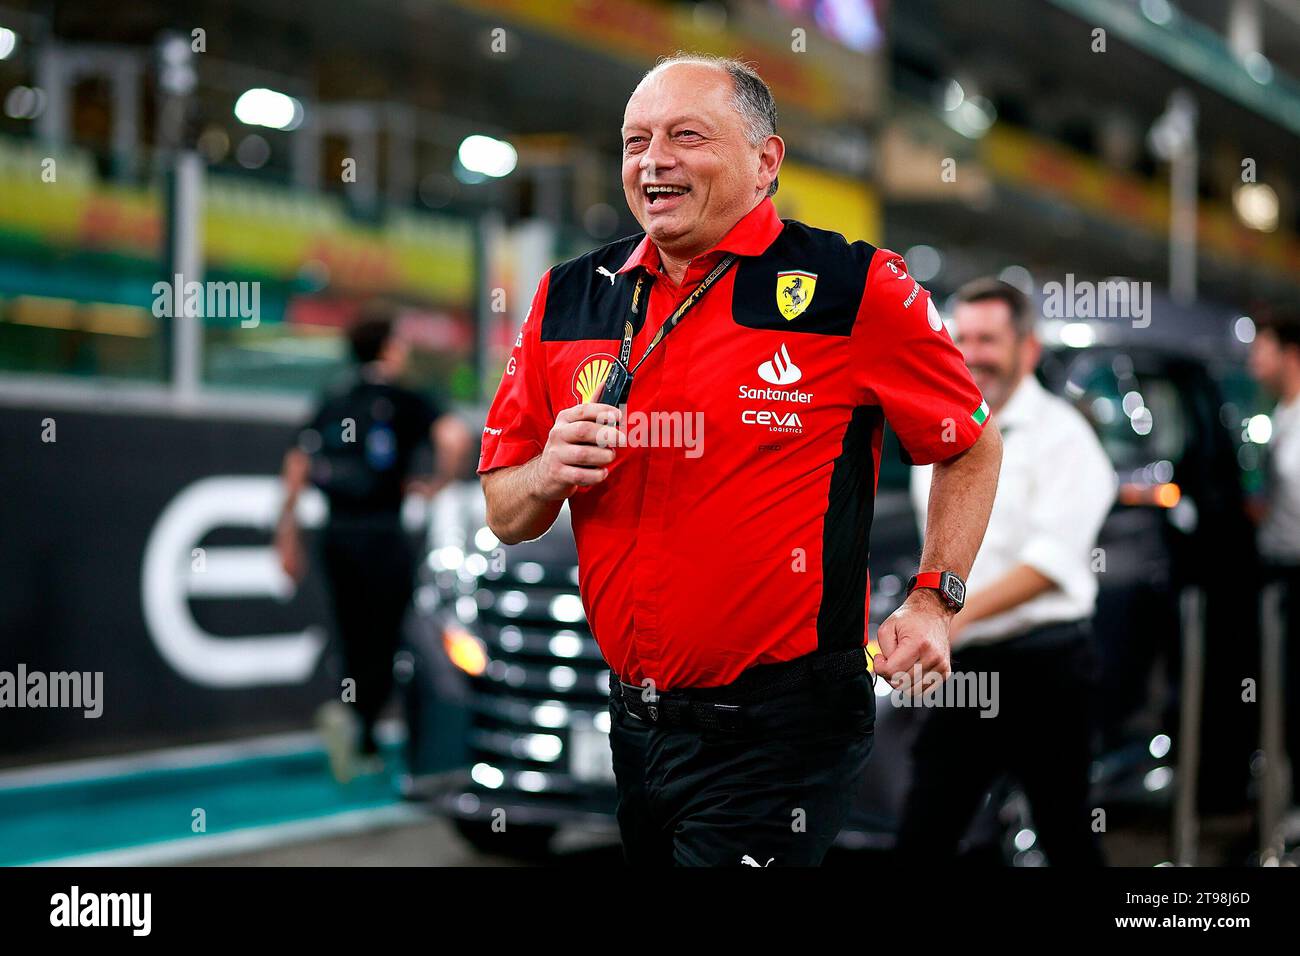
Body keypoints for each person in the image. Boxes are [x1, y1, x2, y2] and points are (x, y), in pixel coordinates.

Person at [477, 53, 1003, 866]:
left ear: (766, 161)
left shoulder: (852, 287)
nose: (654, 160)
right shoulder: (568, 297)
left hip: (783, 732)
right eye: (635, 141)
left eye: (687, 136)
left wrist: (936, 598)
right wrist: (546, 471)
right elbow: (506, 514)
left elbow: (968, 443)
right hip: (637, 725)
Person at [898, 277, 1115, 865]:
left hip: (1046, 667)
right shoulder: (946, 429)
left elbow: (1049, 565)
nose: (971, 353)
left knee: (1065, 830)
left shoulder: (1065, 439)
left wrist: (947, 617)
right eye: (961, 337)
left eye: (988, 339)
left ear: (1028, 349)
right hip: (968, 666)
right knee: (926, 827)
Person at [276, 306, 471, 782]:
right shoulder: (403, 399)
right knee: (386, 637)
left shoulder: (335, 397)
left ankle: (354, 722)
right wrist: (437, 483)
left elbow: (297, 465)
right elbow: (455, 436)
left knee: (350, 634)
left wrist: (285, 533)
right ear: (388, 348)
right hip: (383, 534)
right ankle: (365, 730)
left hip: (337, 536)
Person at [1248, 311, 1300, 805]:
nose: (1252, 361)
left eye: (1261, 349)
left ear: (1290, 354)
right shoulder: (1281, 413)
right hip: (1281, 575)